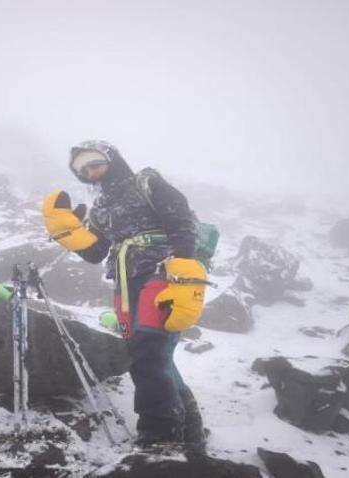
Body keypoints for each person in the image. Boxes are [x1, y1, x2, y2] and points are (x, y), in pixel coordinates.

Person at [42, 140, 208, 451]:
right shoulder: (101, 207)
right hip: (126, 282)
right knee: (149, 353)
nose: (90, 171)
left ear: (111, 158)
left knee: (148, 351)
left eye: (95, 162)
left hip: (161, 271)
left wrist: (184, 275)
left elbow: (182, 223)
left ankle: (160, 434)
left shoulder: (147, 182)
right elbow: (96, 252)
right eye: (82, 169)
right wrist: (66, 231)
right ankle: (189, 427)